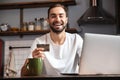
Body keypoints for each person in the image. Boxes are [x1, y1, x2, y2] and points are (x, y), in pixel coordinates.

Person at [21, 3, 83, 76]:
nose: (57, 19)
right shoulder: (40, 42)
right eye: (53, 16)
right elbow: (23, 74)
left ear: (66, 20)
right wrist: (33, 62)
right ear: (48, 20)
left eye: (61, 16)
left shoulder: (76, 40)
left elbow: (88, 64)